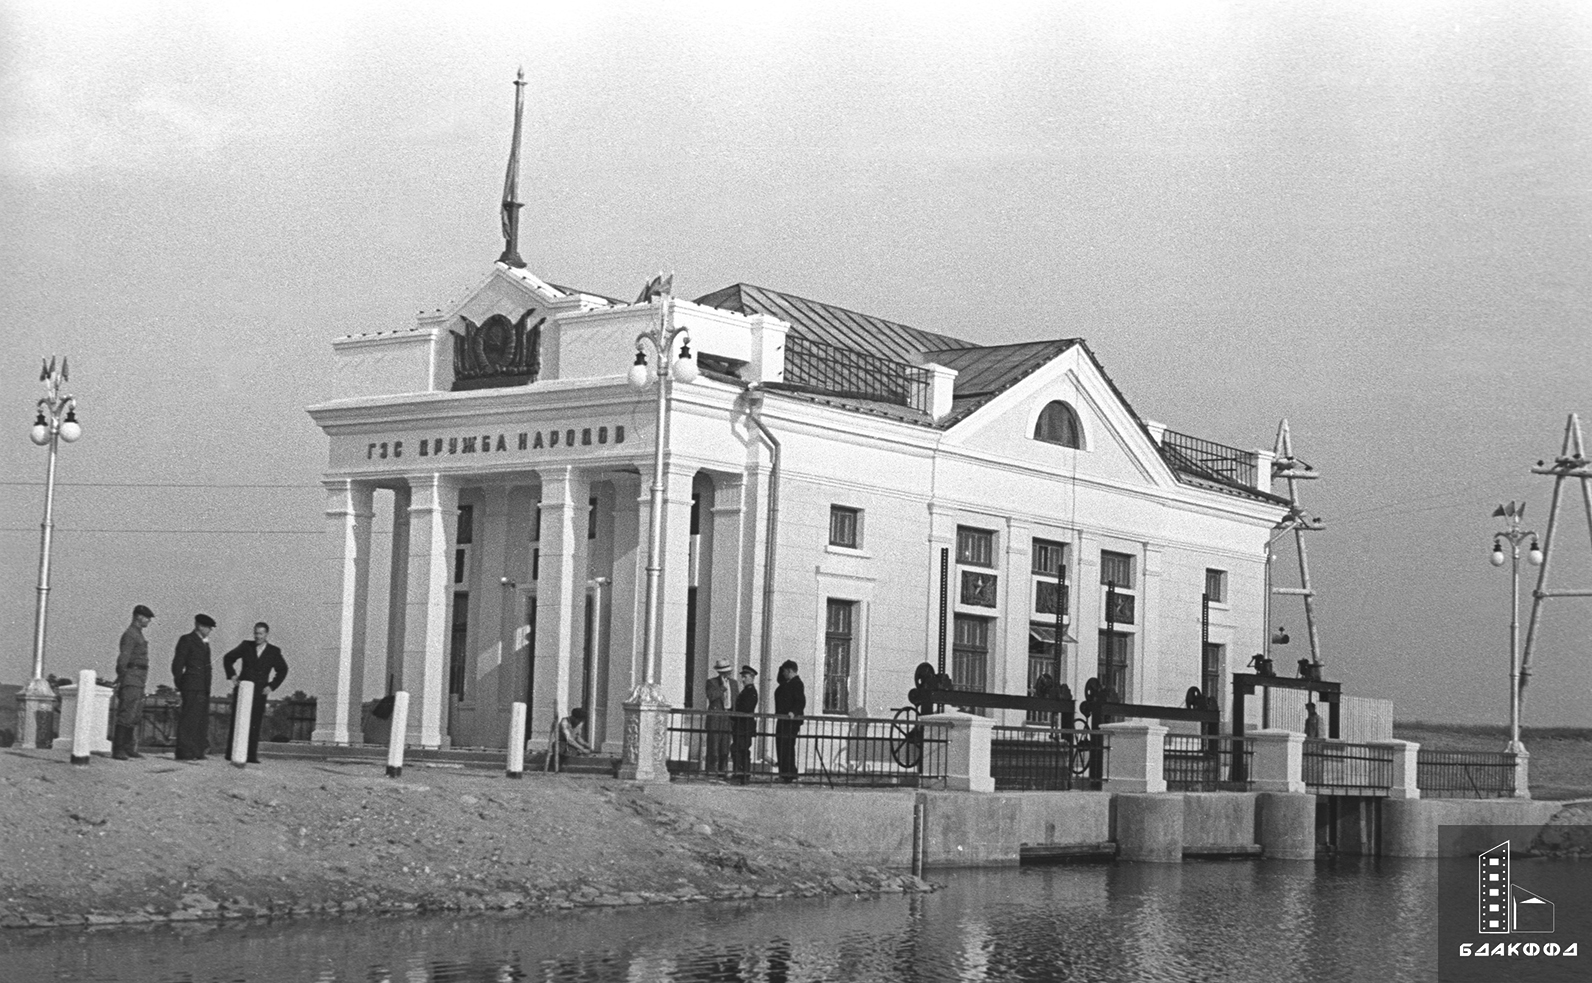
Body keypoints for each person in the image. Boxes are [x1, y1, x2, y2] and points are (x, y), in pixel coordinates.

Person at [222, 622, 289, 764]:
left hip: (259, 692)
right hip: (243, 689)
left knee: (255, 723)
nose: (258, 636)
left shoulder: (273, 651)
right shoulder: (246, 646)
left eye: (261, 634)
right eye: (256, 633)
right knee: (237, 720)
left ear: (266, 634)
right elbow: (228, 658)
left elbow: (282, 669)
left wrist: (271, 686)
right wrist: (232, 676)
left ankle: (251, 755)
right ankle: (231, 753)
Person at [171, 614, 216, 761]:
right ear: (200, 626)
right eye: (208, 628)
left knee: (200, 720)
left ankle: (197, 750)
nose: (209, 631)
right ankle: (184, 751)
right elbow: (178, 663)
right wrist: (181, 683)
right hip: (191, 685)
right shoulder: (187, 640)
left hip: (202, 686)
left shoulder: (204, 643)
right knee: (189, 719)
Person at [112, 604, 155, 760]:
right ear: (139, 617)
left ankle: (128, 747)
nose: (149, 621)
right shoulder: (131, 634)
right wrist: (123, 677)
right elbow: (123, 659)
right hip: (131, 677)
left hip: (138, 678)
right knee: (126, 713)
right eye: (147, 618)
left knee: (134, 714)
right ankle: (118, 749)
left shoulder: (137, 634)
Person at [704, 657, 738, 778]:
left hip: (727, 717)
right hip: (716, 717)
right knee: (713, 746)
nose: (727, 674)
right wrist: (722, 688)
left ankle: (722, 770)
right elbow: (711, 696)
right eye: (724, 672)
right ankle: (711, 771)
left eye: (728, 672)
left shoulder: (734, 683)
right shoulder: (712, 682)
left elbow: (735, 700)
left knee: (725, 747)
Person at [773, 659, 806, 783]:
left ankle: (788, 773)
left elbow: (800, 701)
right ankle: (785, 773)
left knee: (786, 747)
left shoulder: (797, 683)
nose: (782, 674)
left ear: (790, 671)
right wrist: (781, 667)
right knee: (782, 746)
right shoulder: (787, 683)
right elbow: (779, 680)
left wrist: (794, 711)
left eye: (784, 671)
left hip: (790, 720)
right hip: (783, 719)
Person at [730, 665, 758, 784]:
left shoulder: (751, 691)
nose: (743, 679)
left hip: (745, 726)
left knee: (740, 750)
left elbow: (746, 708)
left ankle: (743, 775)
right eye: (742, 677)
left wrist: (734, 713)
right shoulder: (746, 691)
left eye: (745, 677)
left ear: (751, 677)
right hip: (741, 725)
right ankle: (741, 774)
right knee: (739, 749)